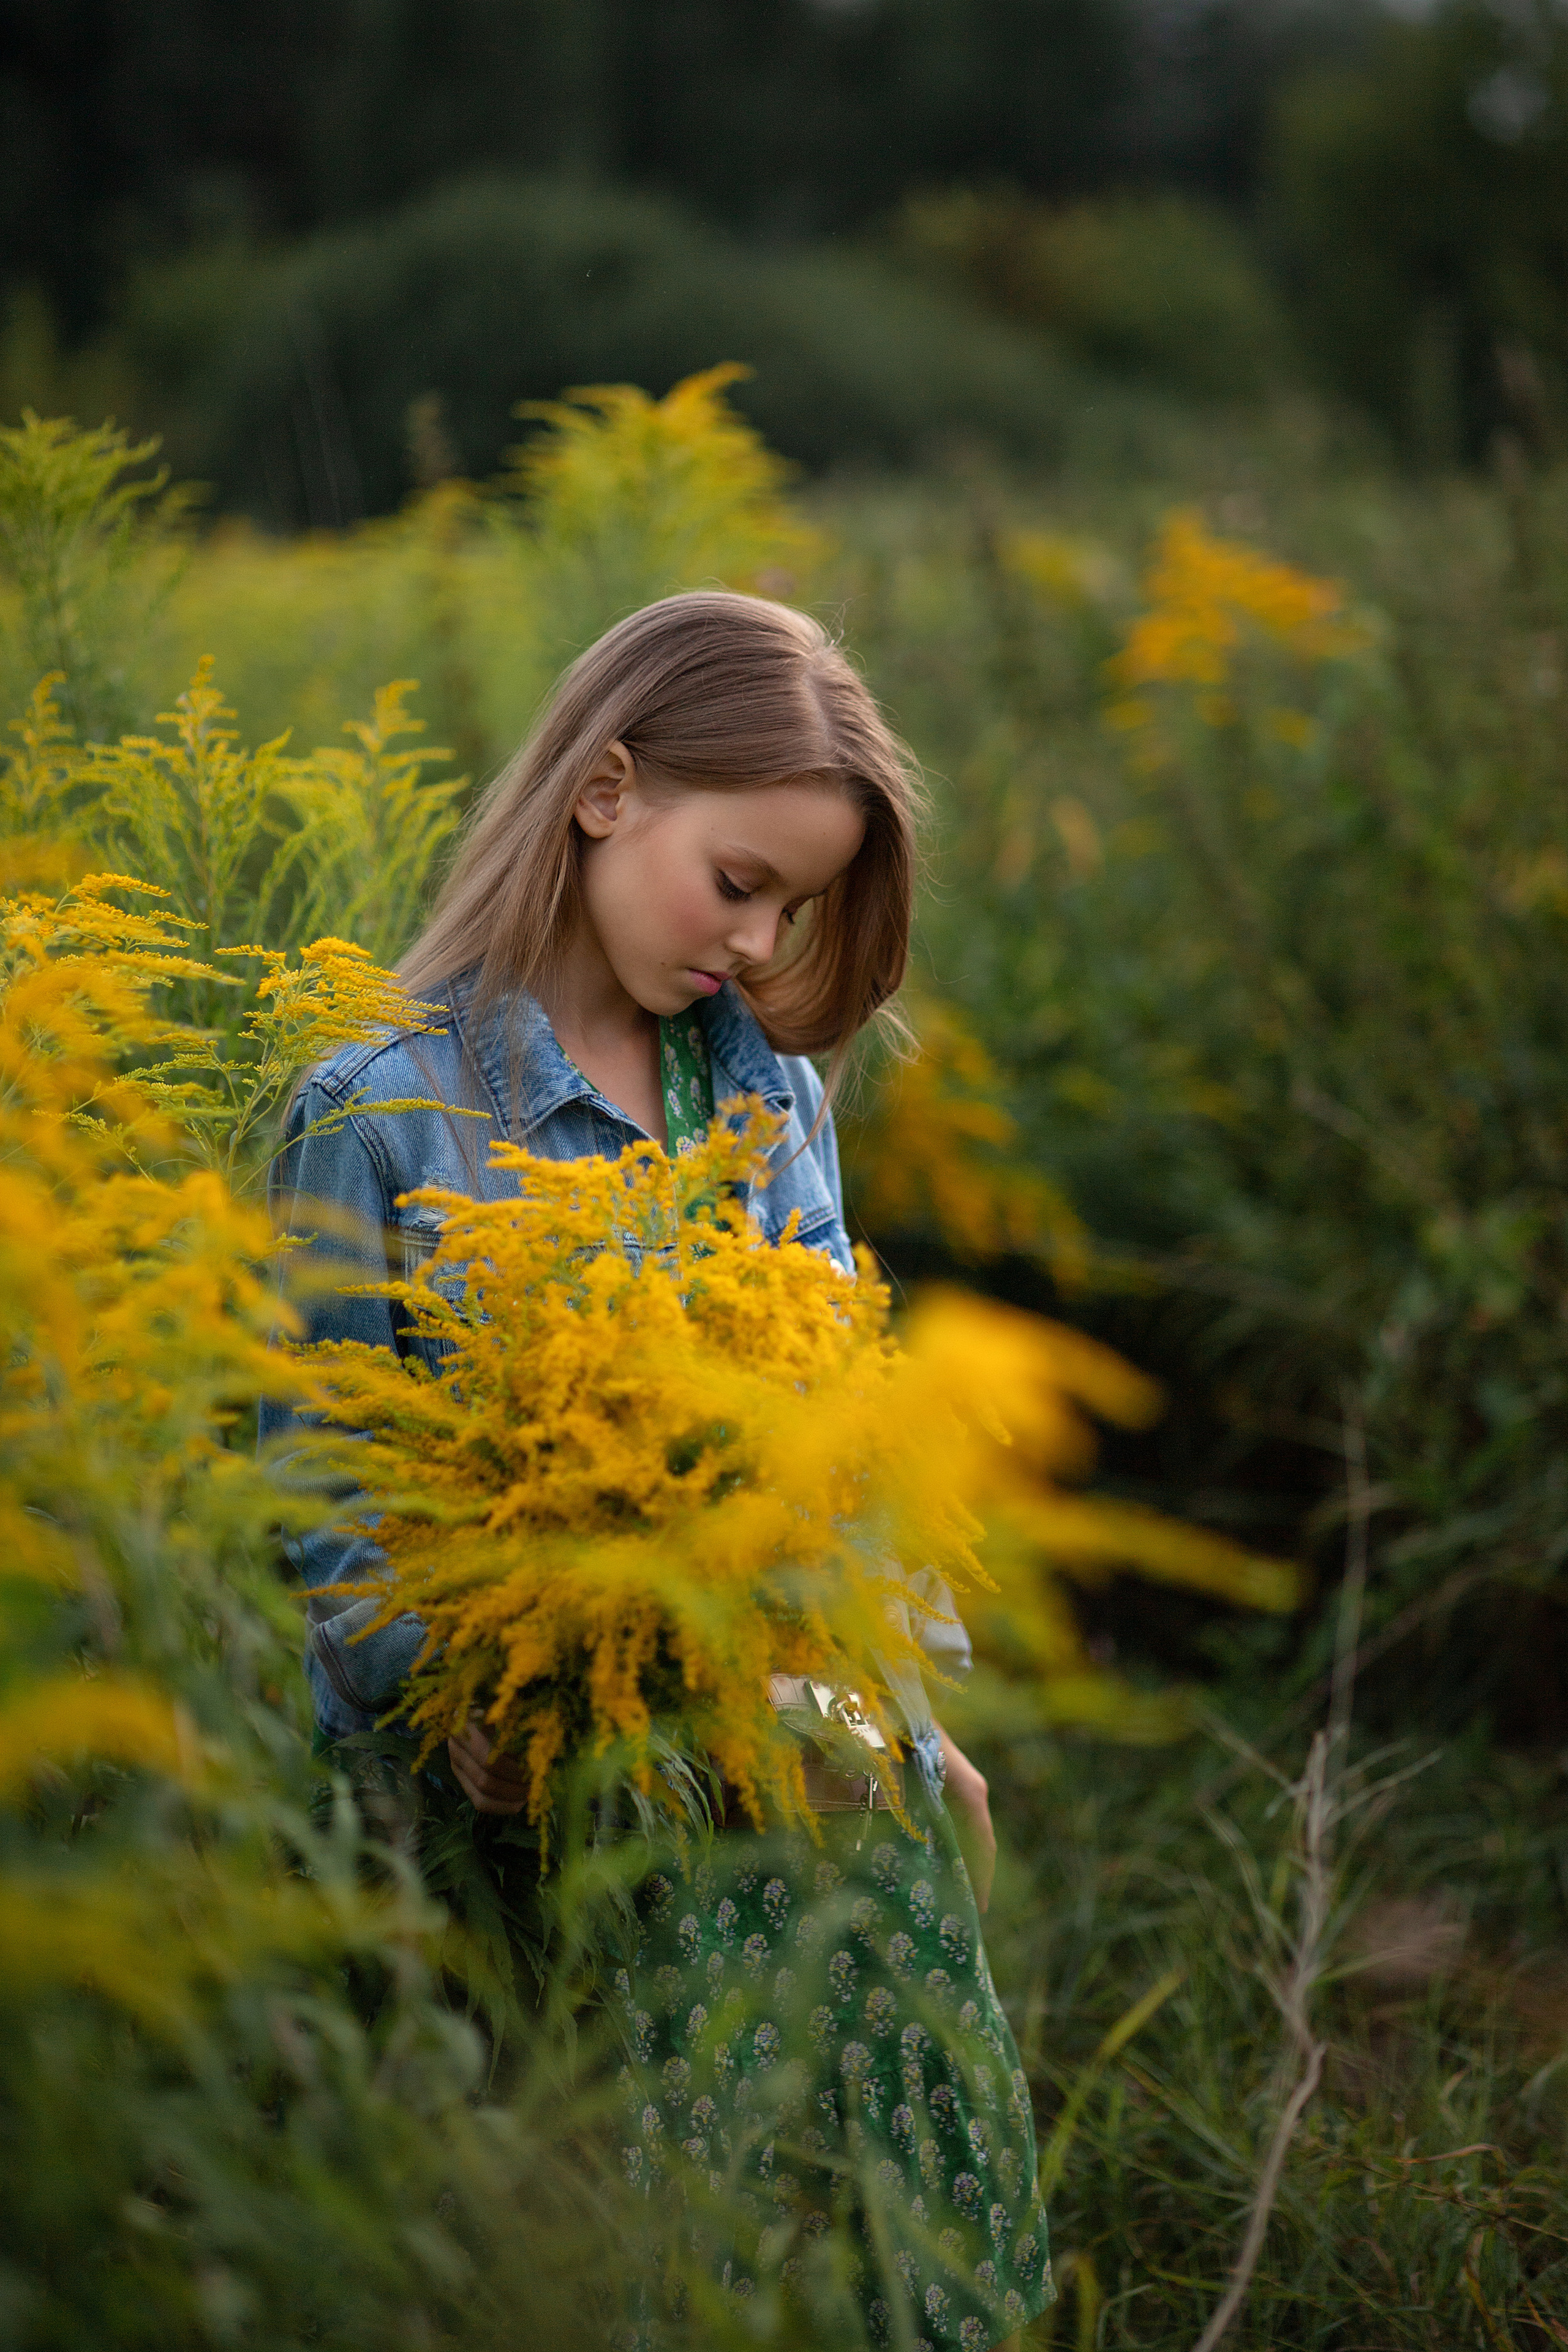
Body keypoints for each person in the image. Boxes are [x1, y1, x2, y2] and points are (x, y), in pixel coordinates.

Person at [263, 591, 1054, 2349]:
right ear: (607, 791)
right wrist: (452, 1684)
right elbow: (319, 1499)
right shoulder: (376, 1116)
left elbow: (843, 1448)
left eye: (797, 908)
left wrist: (907, 1729)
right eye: (743, 881)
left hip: (744, 1708)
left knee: (902, 2062)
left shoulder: (770, 1100)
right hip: (475, 1772)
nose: (760, 943)